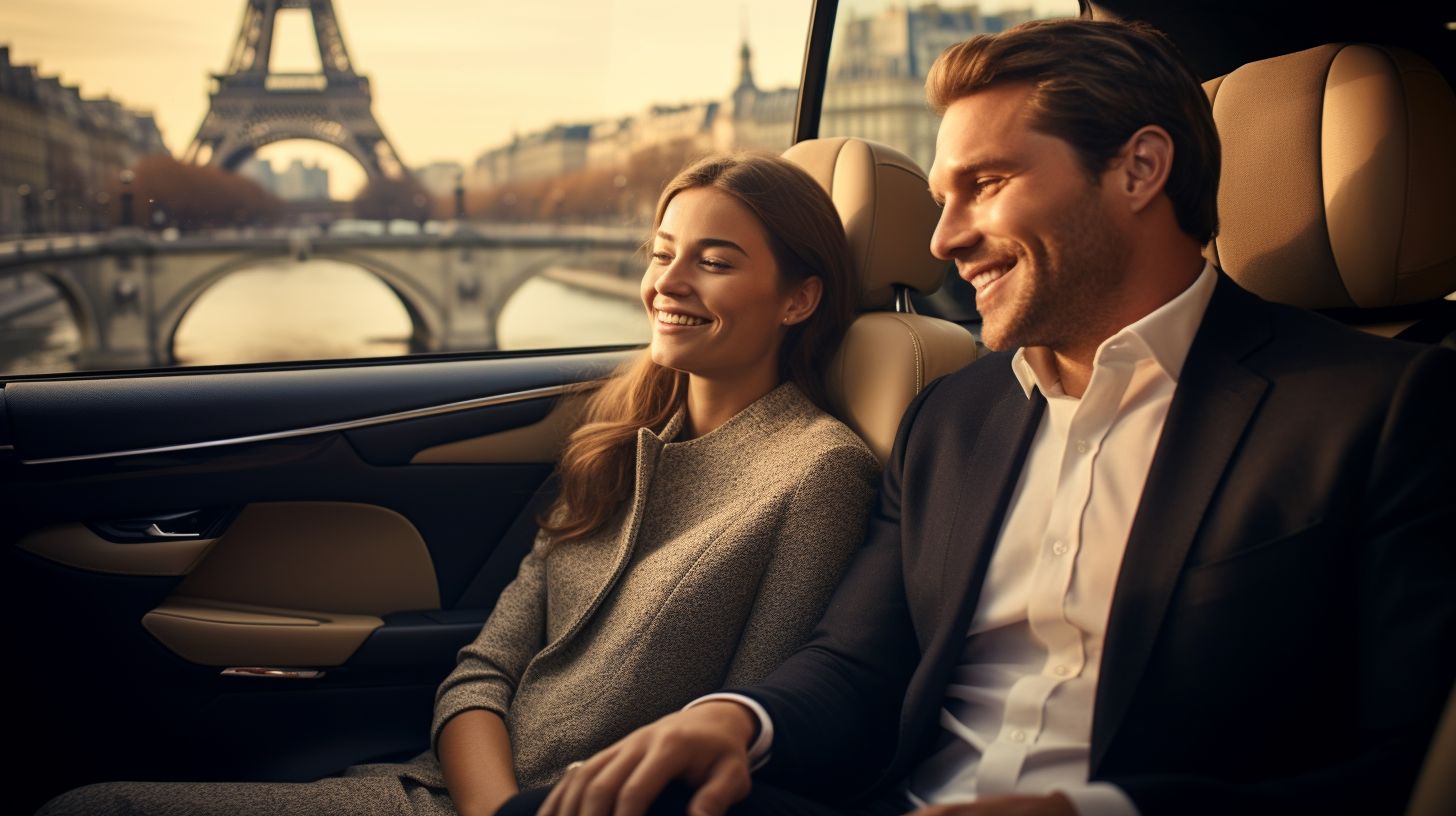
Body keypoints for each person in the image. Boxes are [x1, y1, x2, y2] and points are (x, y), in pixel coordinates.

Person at [521, 18, 1456, 816]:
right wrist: (736, 719)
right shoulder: (951, 419)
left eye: (988, 184)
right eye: (939, 198)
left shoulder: (1381, 409)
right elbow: (856, 665)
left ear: (1139, 170)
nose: (942, 239)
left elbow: (1405, 768)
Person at [35, 154, 880, 816]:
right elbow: (485, 667)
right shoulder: (616, 441)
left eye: (716, 261)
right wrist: (495, 808)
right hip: (460, 791)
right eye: (663, 255)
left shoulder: (816, 472)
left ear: (799, 298)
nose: (669, 283)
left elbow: (743, 731)